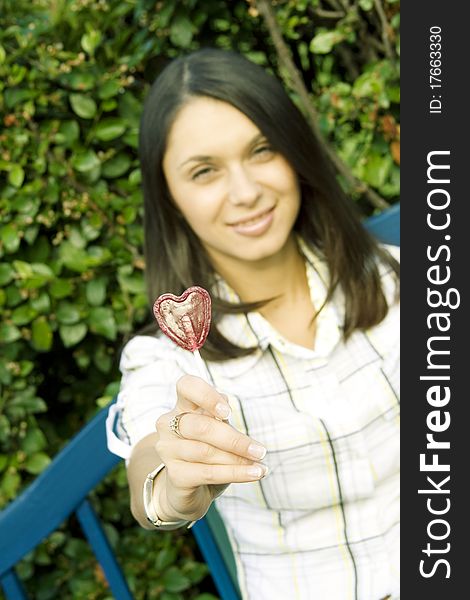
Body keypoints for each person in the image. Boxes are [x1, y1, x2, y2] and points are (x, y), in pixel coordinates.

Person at [106, 48, 400, 600]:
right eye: (204, 171)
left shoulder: (398, 279)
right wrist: (174, 486)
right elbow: (151, 470)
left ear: (294, 152)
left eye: (261, 150)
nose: (245, 193)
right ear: (169, 197)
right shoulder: (164, 361)